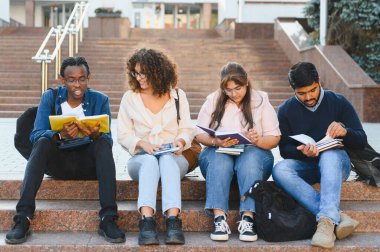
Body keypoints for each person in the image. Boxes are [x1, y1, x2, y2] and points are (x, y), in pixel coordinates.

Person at [5, 56, 125, 244]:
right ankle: (22, 218)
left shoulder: (100, 100)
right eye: (71, 80)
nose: (77, 84)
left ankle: (108, 219)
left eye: (82, 79)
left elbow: (108, 139)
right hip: (59, 163)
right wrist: (59, 135)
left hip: (88, 165)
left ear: (88, 78)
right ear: (63, 80)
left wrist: (95, 135)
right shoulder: (50, 97)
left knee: (102, 143)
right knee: (43, 142)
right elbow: (35, 134)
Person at [272, 62, 366, 249]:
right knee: (280, 169)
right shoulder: (285, 110)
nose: (308, 97)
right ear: (294, 90)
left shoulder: (338, 102)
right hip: (308, 164)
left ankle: (325, 225)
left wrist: (345, 131)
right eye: (301, 93)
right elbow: (284, 150)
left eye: (312, 90)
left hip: (337, 164)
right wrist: (303, 151)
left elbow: (361, 140)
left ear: (319, 82)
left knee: (330, 155)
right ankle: (334, 216)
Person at [195, 62, 281, 242]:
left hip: (253, 157)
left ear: (247, 83)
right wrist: (216, 141)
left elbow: (274, 138)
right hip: (219, 153)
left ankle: (248, 218)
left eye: (238, 88)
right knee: (220, 159)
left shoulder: (261, 100)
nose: (234, 94)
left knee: (249, 159)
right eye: (228, 90)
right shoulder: (213, 99)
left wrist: (258, 140)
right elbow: (198, 133)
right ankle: (219, 219)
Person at [117, 48, 193, 245]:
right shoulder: (129, 98)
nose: (139, 77)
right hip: (141, 159)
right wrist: (143, 144)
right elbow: (123, 134)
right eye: (136, 72)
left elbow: (187, 128)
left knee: (167, 160)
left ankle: (173, 221)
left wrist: (181, 142)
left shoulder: (177, 95)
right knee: (150, 162)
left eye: (144, 73)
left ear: (159, 72)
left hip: (174, 156)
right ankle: (146, 221)